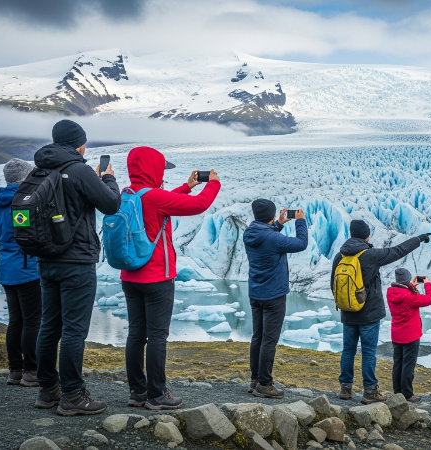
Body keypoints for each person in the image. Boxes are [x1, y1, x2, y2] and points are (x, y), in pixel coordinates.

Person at [120, 146, 221, 410]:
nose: (162, 175)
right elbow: (198, 205)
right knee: (156, 336)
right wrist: (213, 185)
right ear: (152, 169)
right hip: (156, 278)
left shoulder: (127, 194)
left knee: (135, 334)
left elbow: (161, 200)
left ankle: (137, 392)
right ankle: (157, 394)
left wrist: (186, 186)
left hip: (130, 277)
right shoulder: (154, 197)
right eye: (161, 169)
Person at [33, 120, 121, 416]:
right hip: (76, 261)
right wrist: (108, 178)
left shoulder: (41, 168)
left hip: (46, 260)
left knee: (49, 326)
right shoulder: (80, 170)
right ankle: (72, 394)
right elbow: (111, 204)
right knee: (73, 330)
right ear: (79, 144)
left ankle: (48, 389)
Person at [332, 219, 431, 404]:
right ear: (367, 235)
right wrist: (419, 239)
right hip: (369, 314)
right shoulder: (370, 255)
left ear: (351, 234)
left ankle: (345, 388)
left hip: (348, 312)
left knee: (348, 351)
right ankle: (370, 391)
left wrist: (347, 304)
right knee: (368, 351)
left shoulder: (340, 256)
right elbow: (397, 251)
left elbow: (334, 284)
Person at [243, 199, 308, 399]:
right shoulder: (273, 238)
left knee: (258, 337)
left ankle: (255, 379)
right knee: (269, 340)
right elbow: (301, 244)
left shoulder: (250, 233)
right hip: (274, 295)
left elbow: (268, 237)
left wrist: (278, 224)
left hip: (256, 293)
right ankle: (264, 383)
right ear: (271, 215)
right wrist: (300, 221)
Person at [0, 159, 42, 387]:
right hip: (26, 267)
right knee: (32, 320)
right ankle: (31, 370)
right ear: (25, 177)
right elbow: (28, 234)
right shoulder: (22, 202)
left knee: (16, 320)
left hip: (7, 266)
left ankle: (15, 370)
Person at [386, 268, 431, 403]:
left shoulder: (391, 293)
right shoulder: (410, 297)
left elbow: (403, 293)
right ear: (406, 280)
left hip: (397, 335)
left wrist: (412, 285)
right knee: (408, 365)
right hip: (410, 335)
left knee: (398, 363)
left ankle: (397, 392)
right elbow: (430, 299)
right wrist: (427, 284)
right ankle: (407, 394)